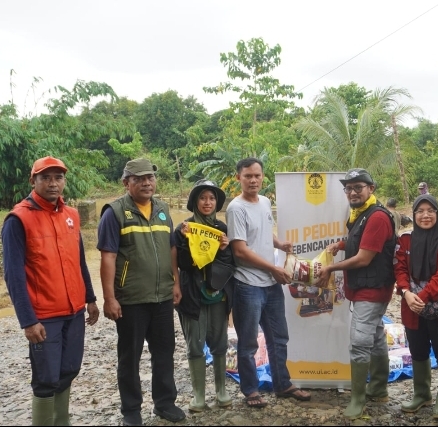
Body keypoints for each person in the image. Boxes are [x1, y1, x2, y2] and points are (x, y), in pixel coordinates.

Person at [2, 156, 99, 426]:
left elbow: (79, 261)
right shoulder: (18, 219)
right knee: (46, 378)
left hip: (73, 311)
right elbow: (13, 274)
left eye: (58, 177)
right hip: (44, 316)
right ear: (33, 181)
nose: (53, 183)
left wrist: (90, 298)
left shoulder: (71, 215)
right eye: (45, 178)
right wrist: (28, 321)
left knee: (69, 369)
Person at [97, 158, 185, 426]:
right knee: (129, 357)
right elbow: (108, 257)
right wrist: (110, 298)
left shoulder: (162, 209)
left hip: (161, 297)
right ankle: (131, 411)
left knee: (164, 352)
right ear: (126, 183)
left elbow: (171, 249)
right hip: (132, 299)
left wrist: (176, 283)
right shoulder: (114, 213)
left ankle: (165, 403)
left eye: (150, 178)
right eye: (139, 179)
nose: (147, 183)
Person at [226, 157, 310, 408]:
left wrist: (279, 244)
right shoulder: (235, 208)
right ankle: (251, 390)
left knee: (278, 337)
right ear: (239, 178)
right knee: (249, 341)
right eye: (248, 176)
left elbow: (261, 231)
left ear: (263, 177)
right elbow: (240, 250)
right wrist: (274, 269)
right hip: (248, 285)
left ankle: (282, 384)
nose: (253, 180)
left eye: (257, 175)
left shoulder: (264, 202)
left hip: (270, 285)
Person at [314, 168, 397, 420]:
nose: (352, 192)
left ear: (371, 189)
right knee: (374, 335)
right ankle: (379, 388)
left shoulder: (378, 217)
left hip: (372, 289)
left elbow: (363, 257)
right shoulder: (360, 214)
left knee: (359, 342)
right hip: (369, 287)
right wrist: (341, 245)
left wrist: (330, 267)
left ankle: (358, 400)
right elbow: (358, 242)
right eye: (348, 188)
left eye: (358, 187)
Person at [173, 179, 236, 412]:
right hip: (193, 295)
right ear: (194, 202)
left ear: (217, 203)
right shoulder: (183, 229)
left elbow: (230, 265)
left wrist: (223, 249)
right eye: (202, 197)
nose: (207, 202)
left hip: (218, 297)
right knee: (195, 346)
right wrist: (189, 241)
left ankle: (221, 391)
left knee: (219, 344)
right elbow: (184, 264)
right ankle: (199, 395)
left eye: (212, 198)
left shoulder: (222, 230)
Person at [394, 195, 438, 419]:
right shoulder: (405, 240)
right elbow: (399, 268)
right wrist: (406, 292)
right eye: (420, 211)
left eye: (430, 210)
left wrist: (421, 295)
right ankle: (422, 394)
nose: (425, 215)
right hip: (411, 305)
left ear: (437, 213)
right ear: (413, 214)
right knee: (417, 349)